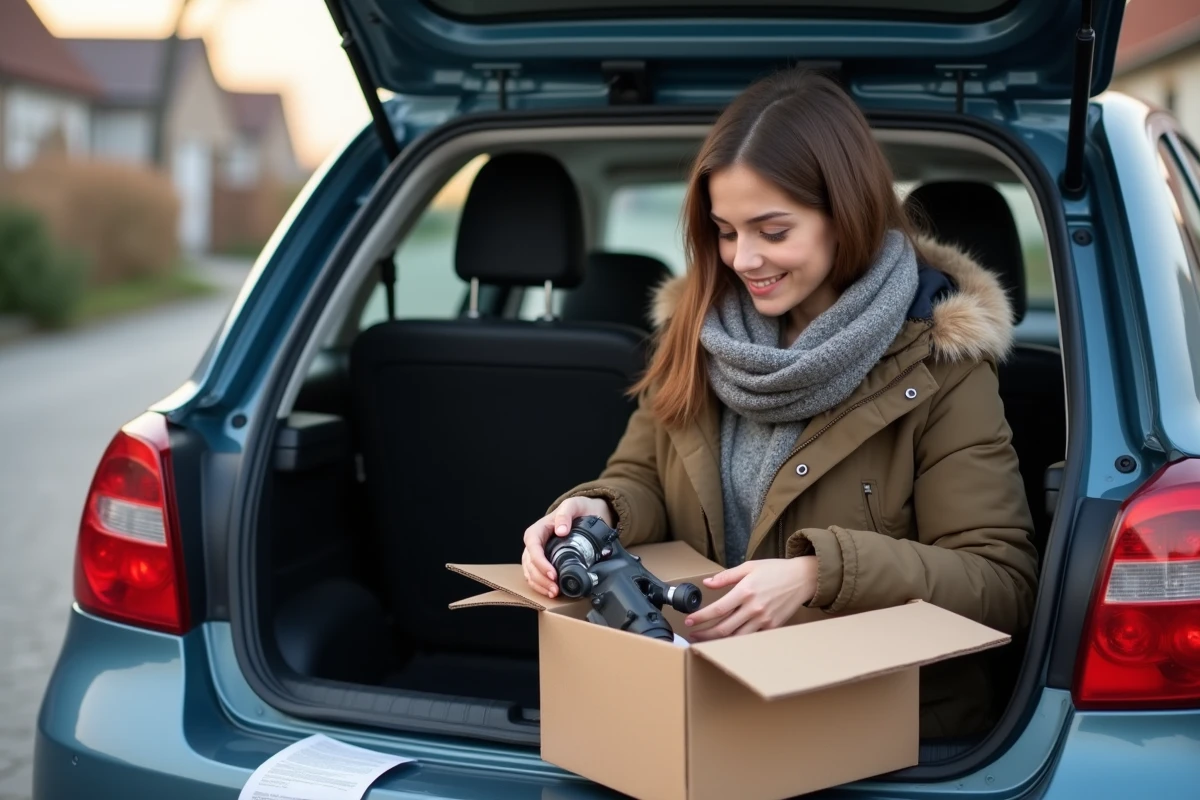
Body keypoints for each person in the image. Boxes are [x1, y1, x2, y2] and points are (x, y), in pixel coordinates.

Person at [520, 68, 1039, 738]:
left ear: (844, 214)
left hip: (872, 732)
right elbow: (642, 476)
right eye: (725, 231)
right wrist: (596, 510)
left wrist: (820, 574)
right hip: (700, 708)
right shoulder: (698, 334)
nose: (742, 259)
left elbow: (1001, 585)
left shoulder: (942, 367)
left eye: (772, 230)